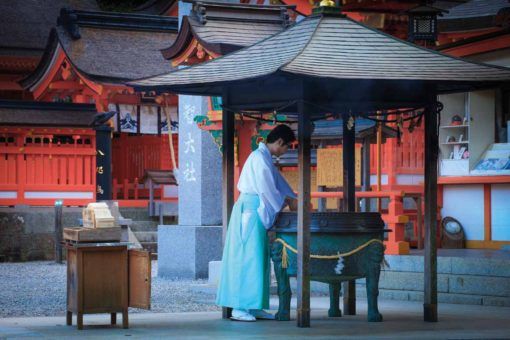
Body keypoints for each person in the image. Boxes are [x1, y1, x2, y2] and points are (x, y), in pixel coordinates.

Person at [216, 124, 298, 322]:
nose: (286, 150)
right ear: (279, 142)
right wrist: (285, 201)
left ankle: (255, 305)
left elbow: (277, 183)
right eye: (287, 146)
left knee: (259, 257)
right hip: (251, 209)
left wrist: (290, 197)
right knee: (246, 257)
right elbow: (267, 189)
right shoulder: (259, 159)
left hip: (256, 209)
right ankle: (239, 306)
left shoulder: (264, 158)